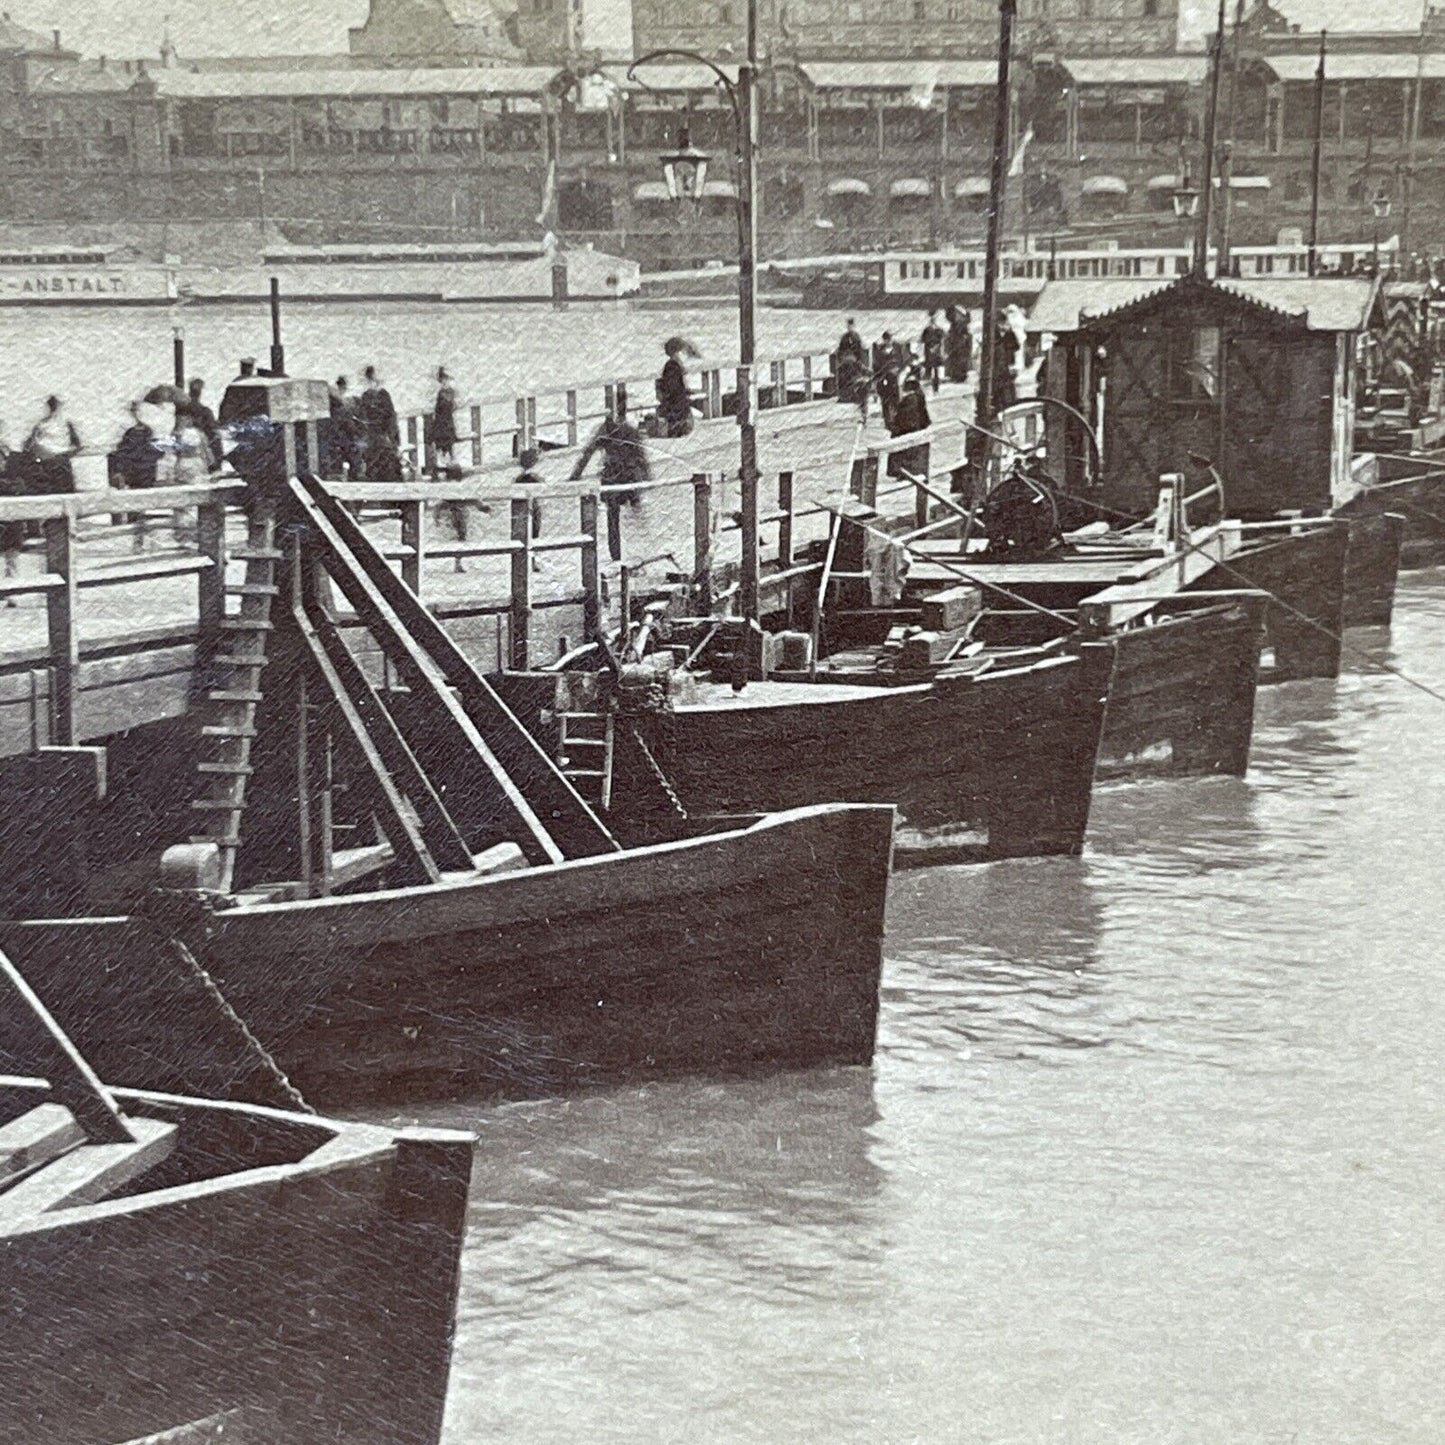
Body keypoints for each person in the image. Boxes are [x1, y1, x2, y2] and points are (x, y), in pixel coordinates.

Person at [570, 403, 650, 563]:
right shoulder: (625, 430)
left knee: (617, 516)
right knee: (621, 515)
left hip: (619, 477)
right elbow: (641, 456)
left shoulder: (610, 430)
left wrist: (576, 474)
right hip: (623, 477)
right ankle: (622, 554)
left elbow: (588, 452)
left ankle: (622, 554)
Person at [108, 402, 161, 540]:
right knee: (138, 504)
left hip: (139, 471)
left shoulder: (137, 432)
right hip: (140, 471)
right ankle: (138, 533)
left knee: (138, 504)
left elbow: (125, 451)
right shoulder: (136, 431)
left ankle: (137, 533)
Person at [24, 396, 80, 494]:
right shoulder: (42, 425)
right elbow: (30, 445)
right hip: (47, 462)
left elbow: (76, 444)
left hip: (59, 462)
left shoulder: (65, 424)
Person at [887, 368, 932, 483]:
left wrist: (896, 425)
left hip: (909, 428)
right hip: (915, 427)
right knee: (913, 451)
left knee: (906, 451)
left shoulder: (911, 399)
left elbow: (907, 417)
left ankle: (904, 472)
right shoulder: (917, 396)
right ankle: (912, 472)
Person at [359, 365, 402, 483]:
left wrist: (392, 438)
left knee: (387, 464)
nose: (373, 383)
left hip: (383, 436)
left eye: (374, 381)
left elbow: (391, 418)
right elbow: (362, 417)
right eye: (371, 380)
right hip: (373, 438)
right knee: (374, 464)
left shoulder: (384, 395)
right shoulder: (366, 396)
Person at [176, 378, 222, 472]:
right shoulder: (204, 412)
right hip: (200, 455)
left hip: (183, 456)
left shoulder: (180, 411)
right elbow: (213, 436)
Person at [656, 338, 696, 438]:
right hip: (675, 400)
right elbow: (673, 386)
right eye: (682, 352)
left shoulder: (673, 364)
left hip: (675, 399)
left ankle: (678, 428)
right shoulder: (672, 365)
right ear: (677, 352)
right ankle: (677, 429)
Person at [327, 376, 362, 480]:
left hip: (333, 436)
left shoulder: (334, 399)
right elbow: (348, 425)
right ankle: (354, 476)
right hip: (341, 437)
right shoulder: (342, 405)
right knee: (354, 453)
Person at [430, 366, 461, 478]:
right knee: (447, 447)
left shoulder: (444, 393)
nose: (444, 381)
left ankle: (445, 466)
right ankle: (449, 465)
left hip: (443, 423)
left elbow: (441, 408)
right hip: (445, 423)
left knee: (444, 447)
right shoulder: (448, 392)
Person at [836, 317, 869, 419]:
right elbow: (840, 350)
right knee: (843, 372)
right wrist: (842, 358)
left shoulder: (856, 337)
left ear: (853, 326)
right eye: (849, 326)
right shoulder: (844, 337)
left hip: (854, 361)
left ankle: (855, 396)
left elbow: (859, 351)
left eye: (851, 326)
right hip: (846, 361)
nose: (850, 328)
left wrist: (857, 361)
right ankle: (845, 393)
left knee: (854, 373)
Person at [872, 330, 906, 429]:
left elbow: (903, 363)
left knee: (896, 400)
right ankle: (888, 422)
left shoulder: (898, 348)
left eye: (890, 339)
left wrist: (902, 374)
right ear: (884, 340)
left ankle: (897, 420)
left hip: (895, 379)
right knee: (885, 401)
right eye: (887, 340)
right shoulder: (879, 351)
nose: (889, 341)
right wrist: (876, 381)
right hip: (884, 378)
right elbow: (876, 367)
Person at [946, 307, 973, 385]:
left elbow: (964, 331)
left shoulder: (960, 323)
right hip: (958, 345)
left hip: (960, 345)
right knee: (957, 361)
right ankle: (957, 375)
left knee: (959, 361)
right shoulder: (957, 323)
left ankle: (959, 375)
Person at [920, 310, 946, 394]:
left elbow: (941, 341)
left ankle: (935, 389)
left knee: (934, 371)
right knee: (933, 371)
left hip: (933, 352)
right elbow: (924, 340)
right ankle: (934, 389)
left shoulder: (935, 330)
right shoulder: (932, 330)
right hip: (932, 352)